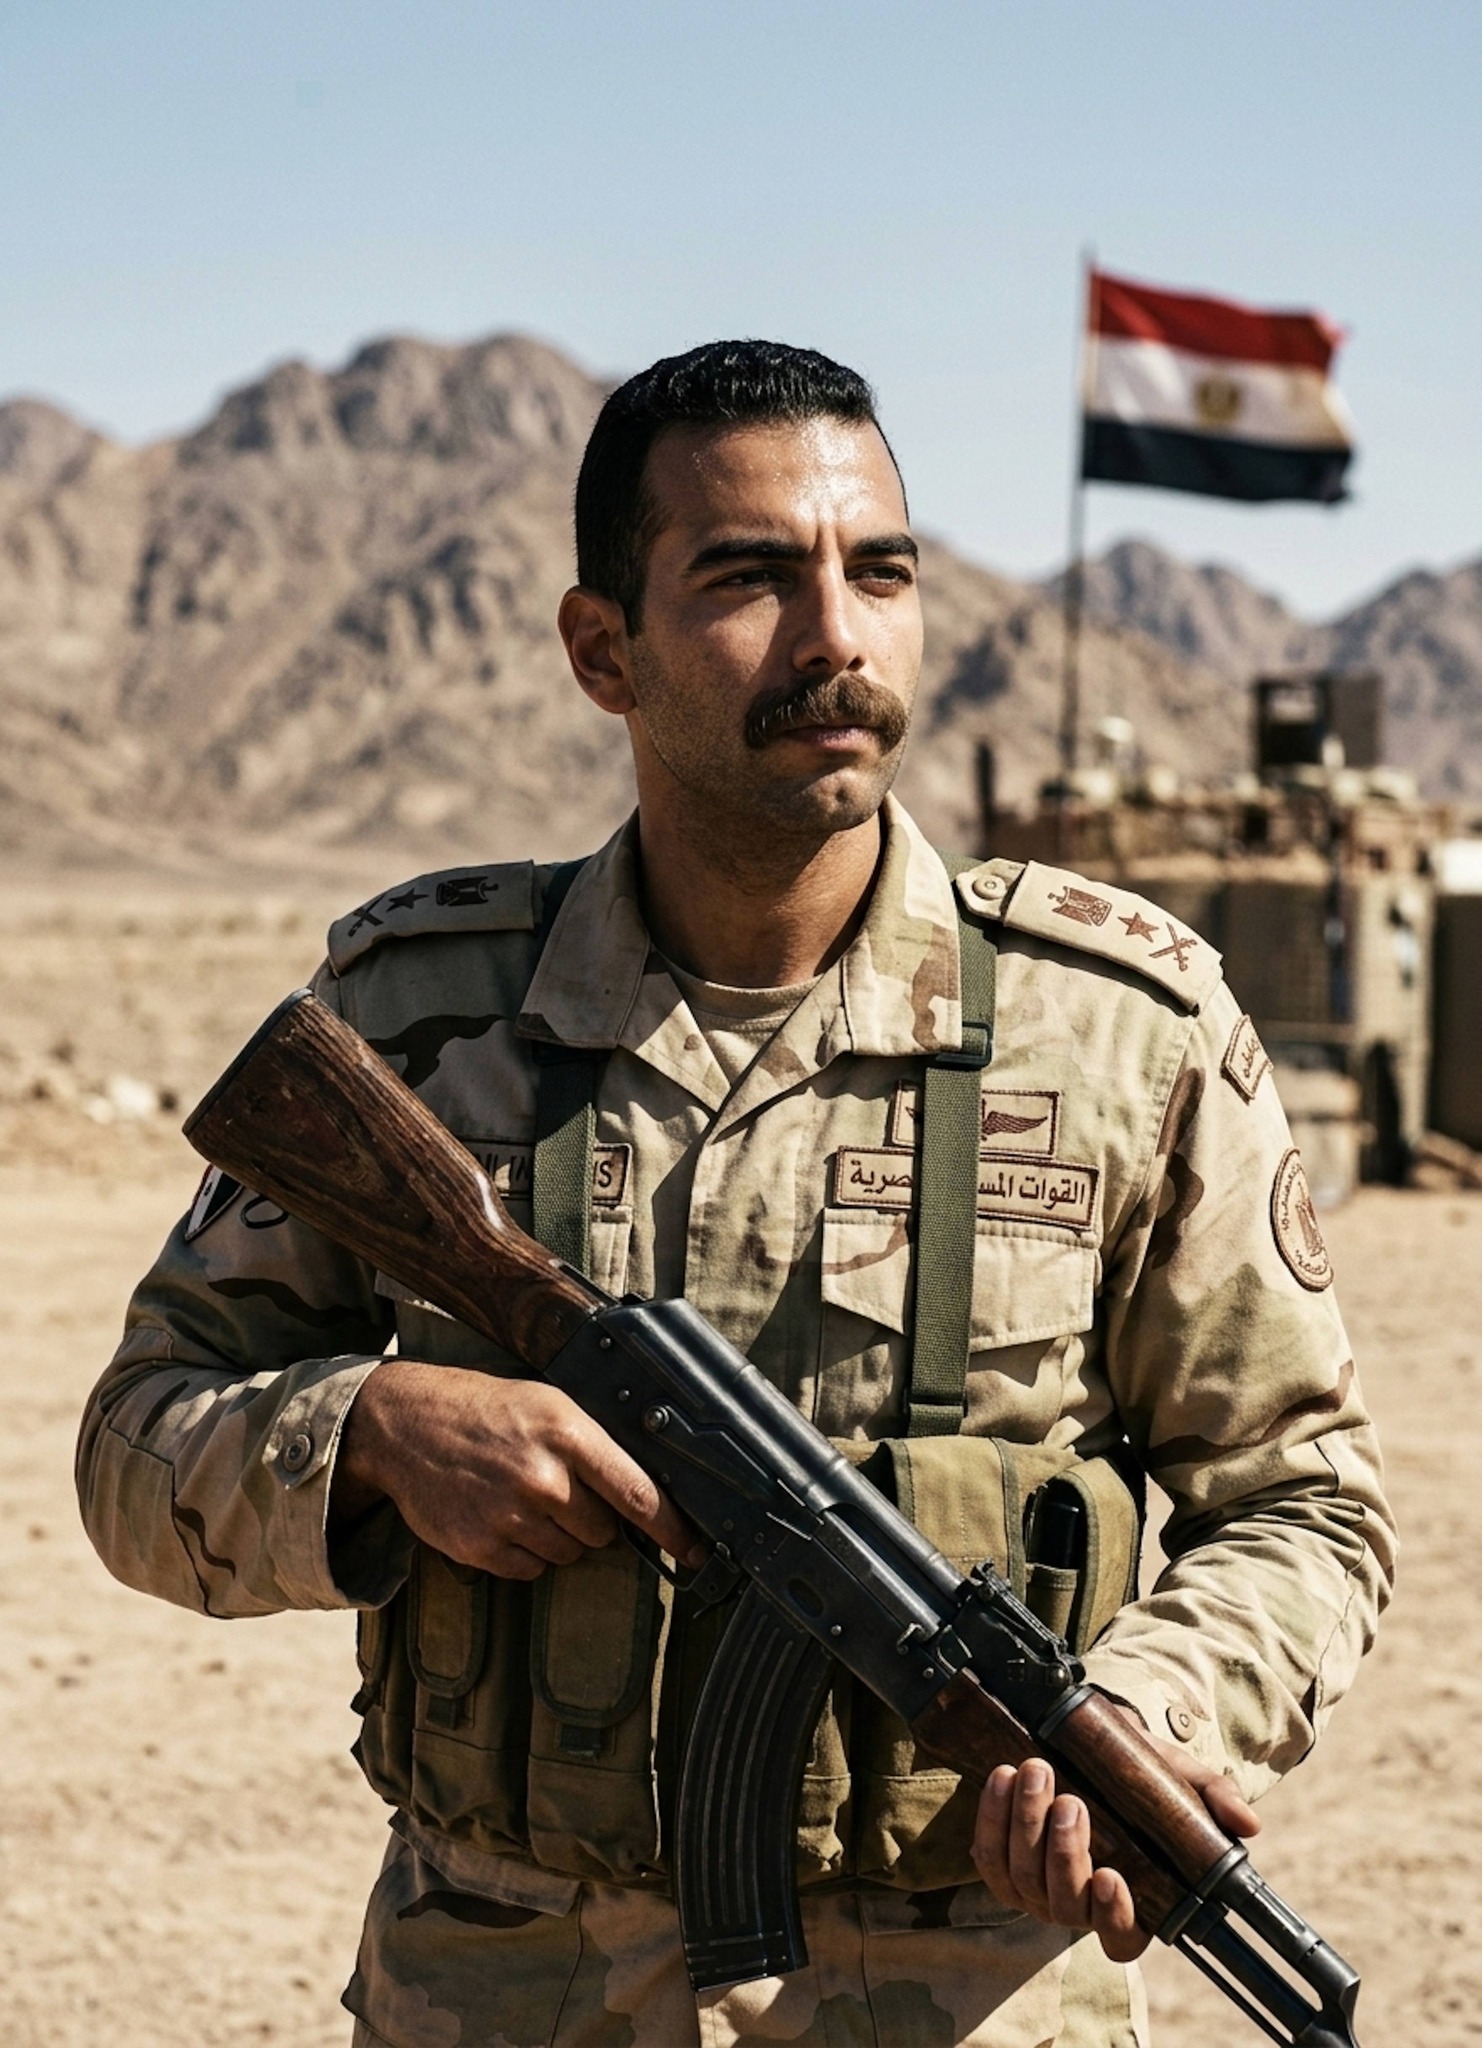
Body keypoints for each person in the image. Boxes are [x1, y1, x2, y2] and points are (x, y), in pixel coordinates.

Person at [78, 340, 1394, 2048]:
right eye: (751, 579)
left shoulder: (1116, 1033)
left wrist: (1142, 1703)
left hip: (965, 2002)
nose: (836, 636)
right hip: (504, 1993)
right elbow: (137, 1444)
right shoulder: (420, 1014)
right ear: (599, 649)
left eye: (883, 573)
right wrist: (381, 1428)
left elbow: (1305, 1499)